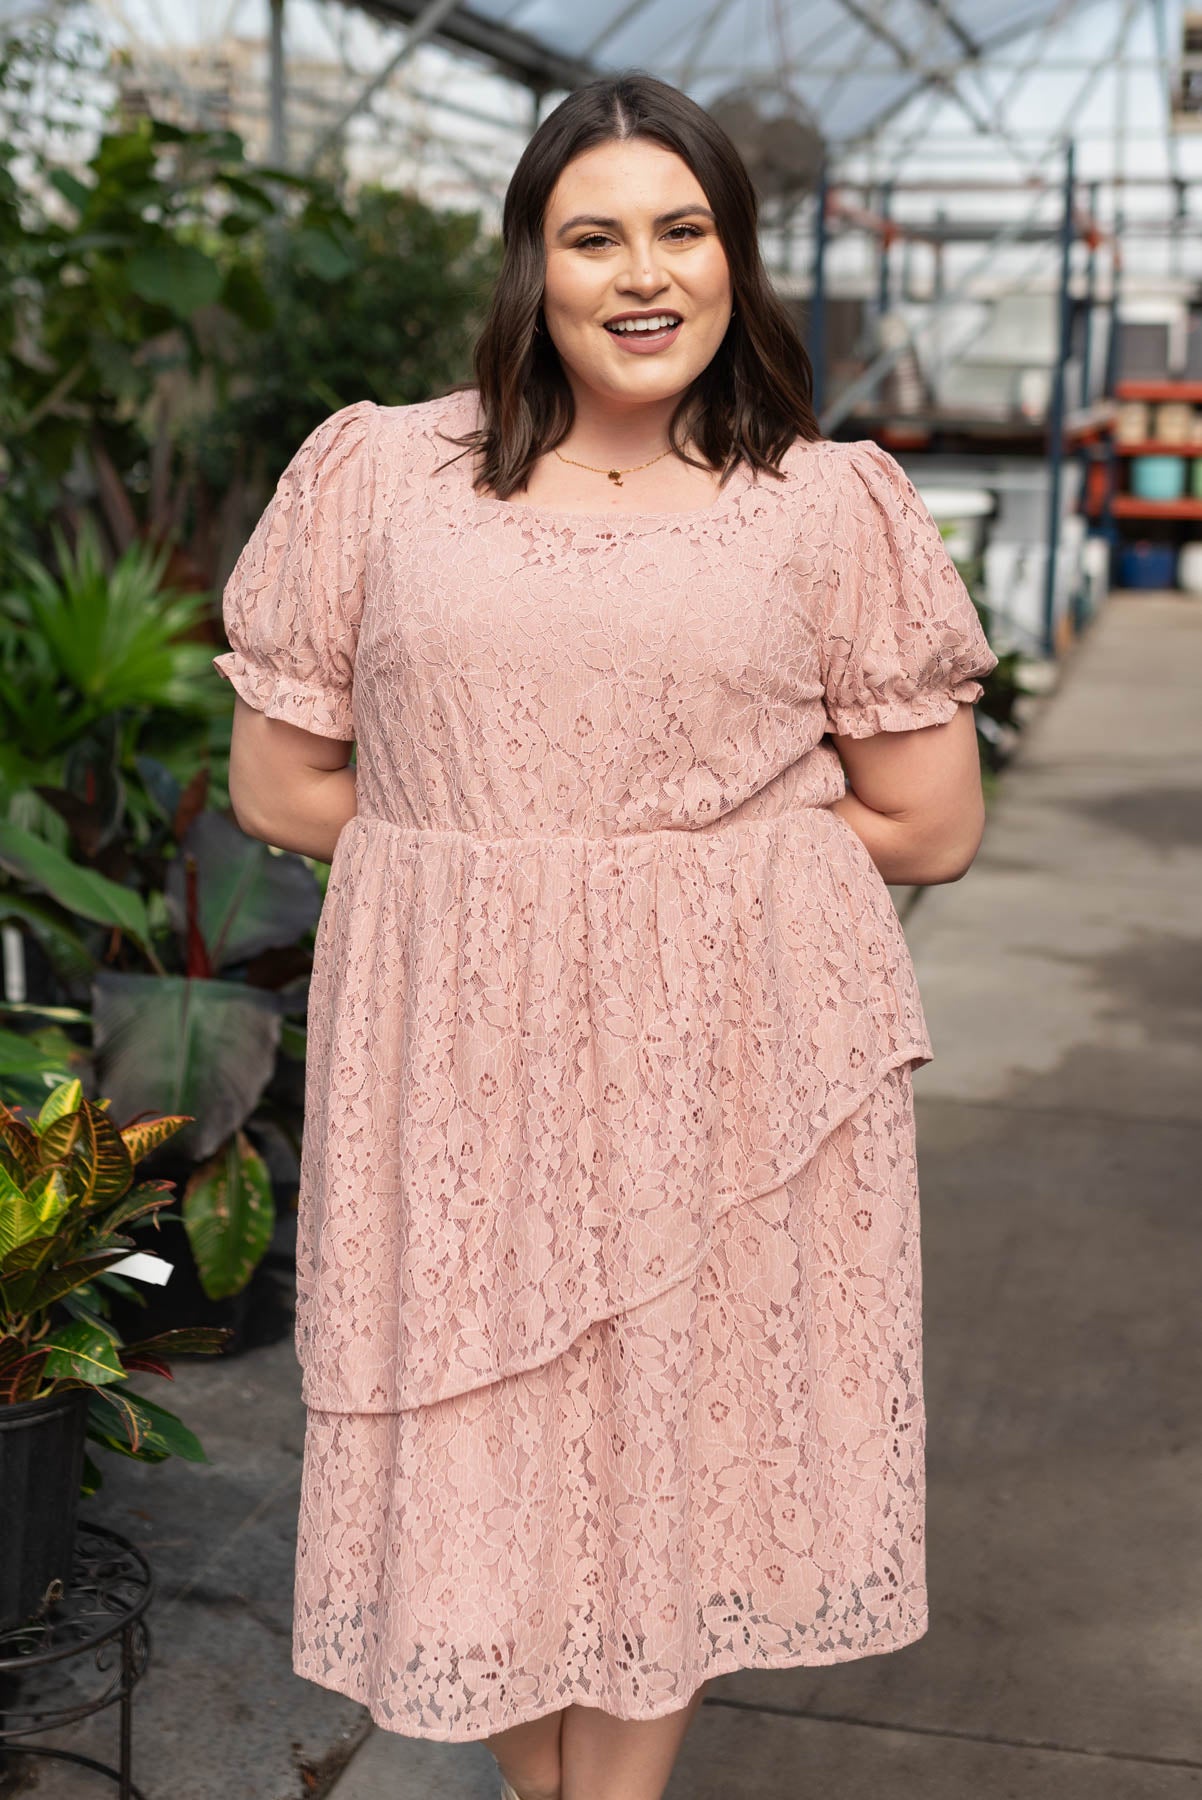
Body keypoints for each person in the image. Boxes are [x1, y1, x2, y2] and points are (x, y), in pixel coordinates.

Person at [213, 71, 998, 1800]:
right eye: (594, 237)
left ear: (733, 260)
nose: (642, 276)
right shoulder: (383, 476)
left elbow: (929, 820)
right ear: (532, 268)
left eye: (682, 230)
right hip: (457, 1053)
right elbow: (281, 785)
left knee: (675, 1433)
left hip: (712, 1053)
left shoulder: (819, 502)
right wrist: (504, 881)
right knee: (483, 1434)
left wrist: (679, 894)